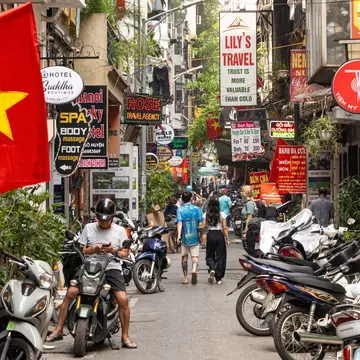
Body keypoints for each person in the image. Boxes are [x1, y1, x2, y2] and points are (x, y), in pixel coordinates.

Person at [46, 198, 137, 349]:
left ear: (112, 218)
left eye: (106, 220)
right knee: (70, 293)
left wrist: (112, 251)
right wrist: (94, 249)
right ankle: (59, 329)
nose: (103, 223)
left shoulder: (120, 231)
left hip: (111, 267)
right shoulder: (88, 228)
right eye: (101, 219)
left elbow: (125, 252)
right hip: (90, 266)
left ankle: (125, 337)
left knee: (123, 299)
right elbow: (82, 249)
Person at [176, 191, 204, 285]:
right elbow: (200, 224)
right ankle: (194, 269)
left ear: (182, 199)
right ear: (192, 198)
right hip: (195, 236)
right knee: (194, 256)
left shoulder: (180, 210)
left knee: (184, 257)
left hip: (184, 237)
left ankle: (185, 278)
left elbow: (179, 223)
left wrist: (179, 236)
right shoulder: (197, 209)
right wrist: (201, 236)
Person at [201, 197, 230, 284]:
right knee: (221, 256)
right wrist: (227, 238)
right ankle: (219, 278)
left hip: (210, 235)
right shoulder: (222, 214)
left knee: (210, 254)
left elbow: (203, 226)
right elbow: (225, 228)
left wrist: (199, 230)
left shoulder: (206, 214)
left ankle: (212, 268)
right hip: (219, 235)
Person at [241, 185, 258, 257]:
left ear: (246, 193)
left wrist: (245, 231)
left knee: (250, 248)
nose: (241, 193)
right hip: (248, 228)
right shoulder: (248, 203)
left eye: (242, 191)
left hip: (250, 229)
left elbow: (249, 219)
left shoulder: (250, 204)